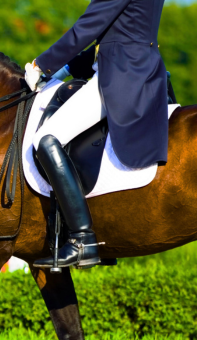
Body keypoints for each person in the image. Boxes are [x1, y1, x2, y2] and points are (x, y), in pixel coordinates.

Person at [24, 0, 168, 268]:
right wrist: (66, 69)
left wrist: (40, 65)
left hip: (121, 76)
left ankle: (82, 240)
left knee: (45, 139)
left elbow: (89, 25)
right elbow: (120, 32)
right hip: (140, 68)